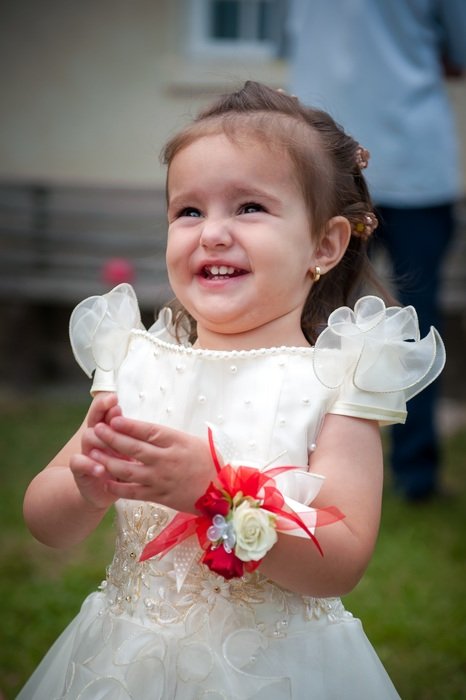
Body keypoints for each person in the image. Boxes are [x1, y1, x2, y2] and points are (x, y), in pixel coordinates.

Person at [18, 82, 445, 699]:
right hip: (126, 658)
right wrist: (83, 489)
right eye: (189, 211)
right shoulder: (135, 363)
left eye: (248, 207)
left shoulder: (335, 381)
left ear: (324, 245)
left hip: (277, 671)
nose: (212, 233)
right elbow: (45, 524)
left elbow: (343, 561)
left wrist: (214, 493)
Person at [288, 0, 466, 501]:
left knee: (314, 318)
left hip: (326, 170)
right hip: (406, 162)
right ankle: (416, 474)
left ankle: (303, 462)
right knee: (415, 321)